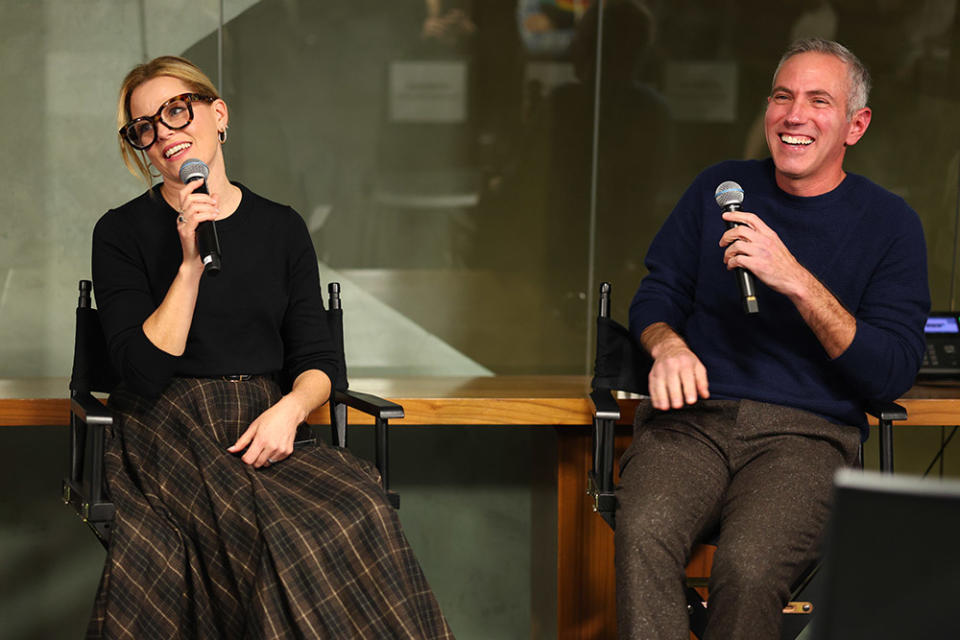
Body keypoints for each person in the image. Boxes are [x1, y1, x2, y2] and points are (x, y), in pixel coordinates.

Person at [88, 55, 454, 639]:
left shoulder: (281, 228)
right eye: (145, 128)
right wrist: (188, 264)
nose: (164, 135)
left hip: (266, 415)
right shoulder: (120, 232)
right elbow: (143, 371)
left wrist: (290, 409)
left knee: (360, 505)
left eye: (176, 111)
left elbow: (319, 362)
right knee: (276, 532)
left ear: (218, 114)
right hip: (167, 423)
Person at [617, 38, 929, 639]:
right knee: (642, 534)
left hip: (806, 437)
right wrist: (668, 344)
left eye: (819, 101)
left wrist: (796, 281)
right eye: (783, 97)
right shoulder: (720, 188)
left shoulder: (891, 225)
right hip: (693, 422)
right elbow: (657, 296)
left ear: (855, 125)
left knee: (750, 567)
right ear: (766, 111)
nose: (795, 115)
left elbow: (891, 372)